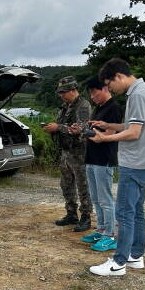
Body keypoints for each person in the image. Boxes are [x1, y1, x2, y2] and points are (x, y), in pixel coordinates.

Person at [87, 58, 145, 276]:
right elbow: (133, 125)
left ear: (119, 77)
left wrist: (105, 138)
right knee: (136, 210)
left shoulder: (138, 94)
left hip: (136, 161)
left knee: (124, 212)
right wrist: (109, 126)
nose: (110, 89)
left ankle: (118, 262)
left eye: (110, 84)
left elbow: (134, 133)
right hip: (144, 160)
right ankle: (135, 255)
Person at [69, 76, 124, 252]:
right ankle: (101, 230)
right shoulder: (99, 108)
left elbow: (108, 134)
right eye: (90, 94)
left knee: (105, 199)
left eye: (94, 93)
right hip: (91, 157)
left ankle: (110, 235)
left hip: (104, 159)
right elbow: (93, 131)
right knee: (96, 198)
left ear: (106, 89)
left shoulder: (113, 108)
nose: (92, 97)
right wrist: (81, 130)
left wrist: (87, 132)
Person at [43, 76, 92, 232]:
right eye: (60, 93)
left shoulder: (83, 106)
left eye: (64, 92)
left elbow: (80, 128)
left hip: (79, 153)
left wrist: (58, 128)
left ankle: (86, 217)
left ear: (73, 90)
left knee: (82, 186)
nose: (61, 95)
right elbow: (63, 124)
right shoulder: (65, 106)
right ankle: (71, 214)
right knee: (66, 185)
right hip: (66, 152)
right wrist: (54, 128)